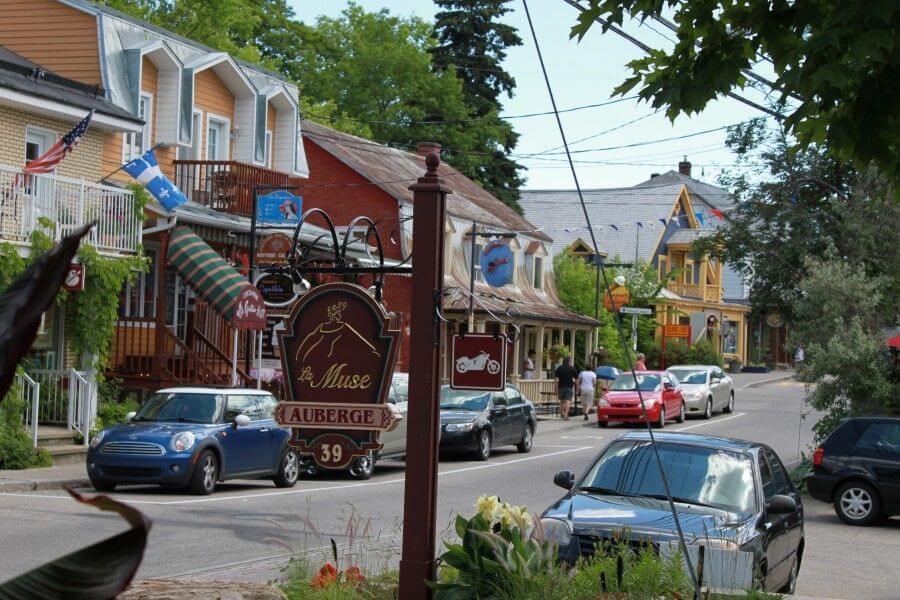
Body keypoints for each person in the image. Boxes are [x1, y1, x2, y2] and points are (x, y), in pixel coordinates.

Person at [555, 356, 578, 420]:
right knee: (568, 401)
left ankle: (562, 413)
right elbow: (577, 379)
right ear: (569, 361)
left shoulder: (559, 368)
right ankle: (566, 415)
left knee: (561, 401)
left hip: (561, 387)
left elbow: (556, 378)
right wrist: (577, 387)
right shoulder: (572, 368)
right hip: (569, 387)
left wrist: (555, 387)